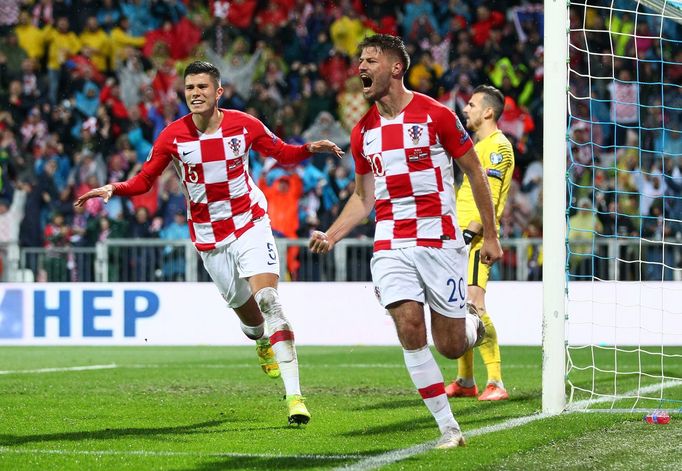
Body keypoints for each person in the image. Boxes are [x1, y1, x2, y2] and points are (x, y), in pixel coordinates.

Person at [75, 60, 343, 425]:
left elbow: (280, 152)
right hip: (209, 239)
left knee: (270, 301)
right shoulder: (172, 135)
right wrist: (113, 188)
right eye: (189, 88)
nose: (195, 94)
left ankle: (295, 398)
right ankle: (261, 342)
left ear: (218, 92)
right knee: (251, 322)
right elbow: (144, 180)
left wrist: (310, 148)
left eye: (202, 87)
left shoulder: (244, 124)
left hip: (250, 223)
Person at [308, 35, 502, 448]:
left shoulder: (435, 115)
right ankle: (449, 429)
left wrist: (492, 235)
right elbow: (364, 197)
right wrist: (333, 233)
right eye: (359, 60)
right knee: (409, 327)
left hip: (440, 242)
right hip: (391, 243)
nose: (361, 66)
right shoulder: (362, 132)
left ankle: (473, 325)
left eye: (371, 60)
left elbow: (474, 173)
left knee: (450, 345)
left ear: (396, 68)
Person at [444, 85, 515, 401]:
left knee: (475, 306)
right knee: (459, 308)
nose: (465, 110)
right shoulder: (480, 146)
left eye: (471, 105)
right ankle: (465, 380)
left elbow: (491, 198)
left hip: (473, 240)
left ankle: (496, 382)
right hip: (460, 237)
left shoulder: (498, 147)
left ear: (488, 111)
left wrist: (471, 234)